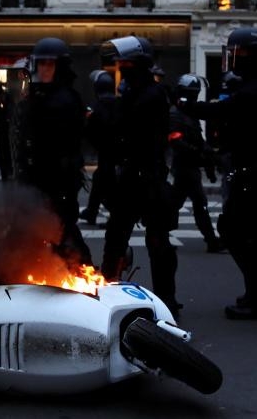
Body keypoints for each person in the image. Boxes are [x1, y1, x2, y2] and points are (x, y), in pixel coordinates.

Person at [182, 27, 257, 320]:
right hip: (253, 169)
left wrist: (185, 106)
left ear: (249, 55)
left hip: (252, 171)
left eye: (236, 53)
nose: (232, 58)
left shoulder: (256, 90)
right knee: (239, 232)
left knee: (241, 234)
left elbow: (220, 111)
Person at [99, 36, 181, 316]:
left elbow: (129, 133)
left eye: (127, 61)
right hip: (136, 175)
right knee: (118, 237)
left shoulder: (150, 94)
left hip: (146, 176)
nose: (122, 65)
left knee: (155, 242)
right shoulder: (136, 91)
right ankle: (111, 292)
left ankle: (165, 301)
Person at [14, 37, 92, 267]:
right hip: (35, 177)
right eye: (42, 64)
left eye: (50, 64)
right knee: (28, 228)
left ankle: (84, 272)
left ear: (60, 67)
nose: (45, 70)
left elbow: (69, 140)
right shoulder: (32, 96)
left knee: (62, 230)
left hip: (59, 179)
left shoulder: (67, 99)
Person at [168, 74, 226, 254]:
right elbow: (176, 140)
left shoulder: (188, 113)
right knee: (197, 203)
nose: (193, 97)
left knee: (180, 203)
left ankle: (210, 240)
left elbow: (199, 141)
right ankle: (211, 240)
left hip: (190, 166)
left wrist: (210, 157)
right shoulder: (176, 113)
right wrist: (200, 153)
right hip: (184, 166)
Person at [80, 69, 117, 226]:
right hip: (116, 150)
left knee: (104, 182)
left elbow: (90, 129)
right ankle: (92, 211)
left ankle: (116, 214)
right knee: (100, 179)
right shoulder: (119, 104)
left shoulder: (96, 106)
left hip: (105, 150)